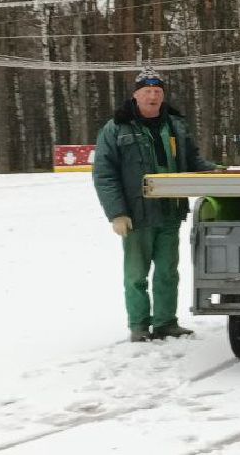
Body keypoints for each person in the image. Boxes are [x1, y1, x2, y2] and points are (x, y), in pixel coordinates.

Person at [93, 67, 220, 343]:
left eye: (157, 92)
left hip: (169, 212)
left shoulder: (175, 125)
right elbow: (104, 174)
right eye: (147, 91)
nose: (152, 96)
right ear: (136, 95)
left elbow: (192, 160)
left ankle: (166, 322)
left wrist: (216, 172)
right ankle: (139, 325)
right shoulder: (116, 128)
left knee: (167, 272)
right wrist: (117, 214)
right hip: (136, 216)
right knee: (136, 274)